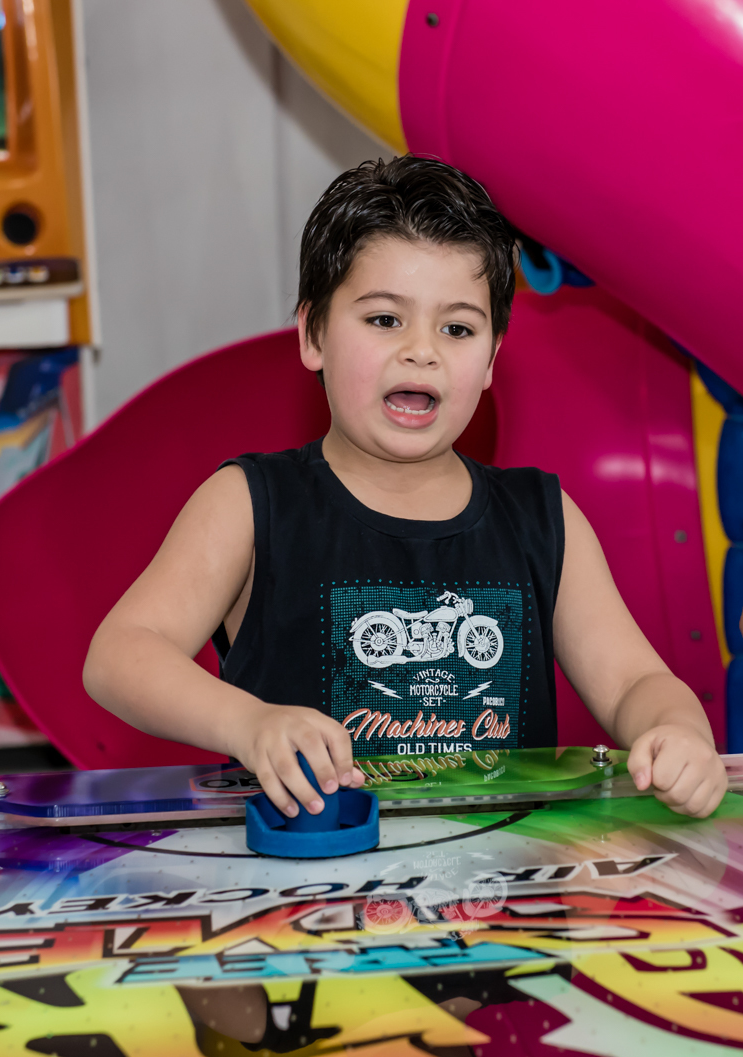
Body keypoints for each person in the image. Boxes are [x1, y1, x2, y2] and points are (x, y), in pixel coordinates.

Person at [84, 156, 727, 820]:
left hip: (505, 896)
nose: (422, 350)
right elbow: (121, 654)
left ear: (490, 360)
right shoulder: (249, 503)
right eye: (385, 319)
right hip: (301, 893)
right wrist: (248, 723)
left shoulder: (543, 516)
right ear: (312, 334)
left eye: (456, 328)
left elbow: (633, 683)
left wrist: (678, 733)